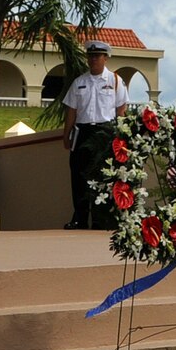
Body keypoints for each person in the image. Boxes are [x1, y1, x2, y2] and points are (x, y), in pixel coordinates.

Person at [61, 41, 127, 229]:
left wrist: (122, 135)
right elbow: (72, 111)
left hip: (105, 132)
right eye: (90, 56)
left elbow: (121, 108)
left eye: (97, 56)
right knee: (79, 175)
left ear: (105, 58)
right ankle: (79, 218)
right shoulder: (79, 82)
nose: (93, 60)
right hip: (82, 132)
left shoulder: (114, 80)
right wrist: (66, 135)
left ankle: (101, 219)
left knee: (103, 176)